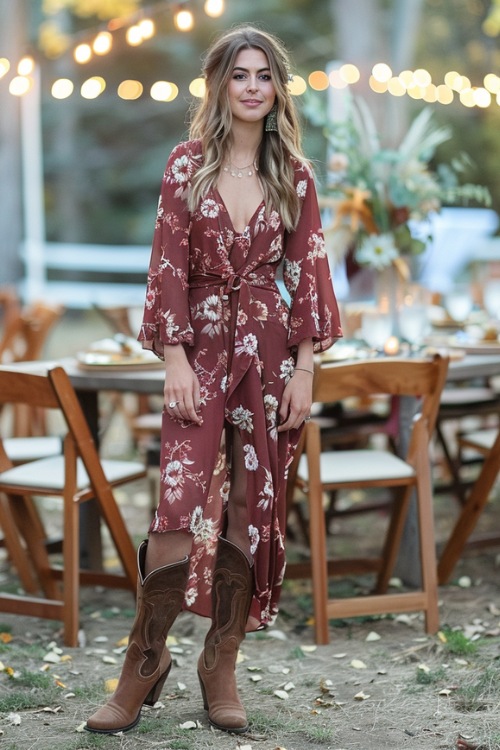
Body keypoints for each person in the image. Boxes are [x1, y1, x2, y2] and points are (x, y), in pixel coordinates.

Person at [86, 24, 342, 737]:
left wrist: (305, 367)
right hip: (197, 347)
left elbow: (311, 270)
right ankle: (145, 660)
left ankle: (219, 662)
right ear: (219, 84)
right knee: (177, 505)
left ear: (278, 87)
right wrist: (173, 357)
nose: (254, 86)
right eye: (240, 74)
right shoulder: (185, 164)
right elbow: (165, 261)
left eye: (265, 75)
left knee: (247, 509)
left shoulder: (294, 173)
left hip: (266, 348)